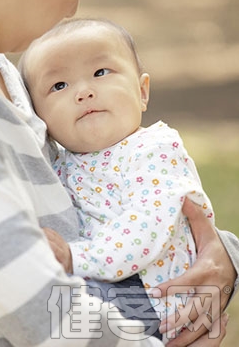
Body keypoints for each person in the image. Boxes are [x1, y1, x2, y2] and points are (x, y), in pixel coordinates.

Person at [0, 0, 236, 346]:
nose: (73, 7)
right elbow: (46, 314)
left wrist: (222, 259)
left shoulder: (10, 79)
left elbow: (106, 205)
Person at [17, 17, 225, 342]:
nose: (84, 92)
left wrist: (76, 257)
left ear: (142, 92)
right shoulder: (60, 166)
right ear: (40, 117)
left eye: (101, 73)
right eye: (59, 86)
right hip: (113, 288)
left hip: (155, 295)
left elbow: (146, 226)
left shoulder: (154, 150)